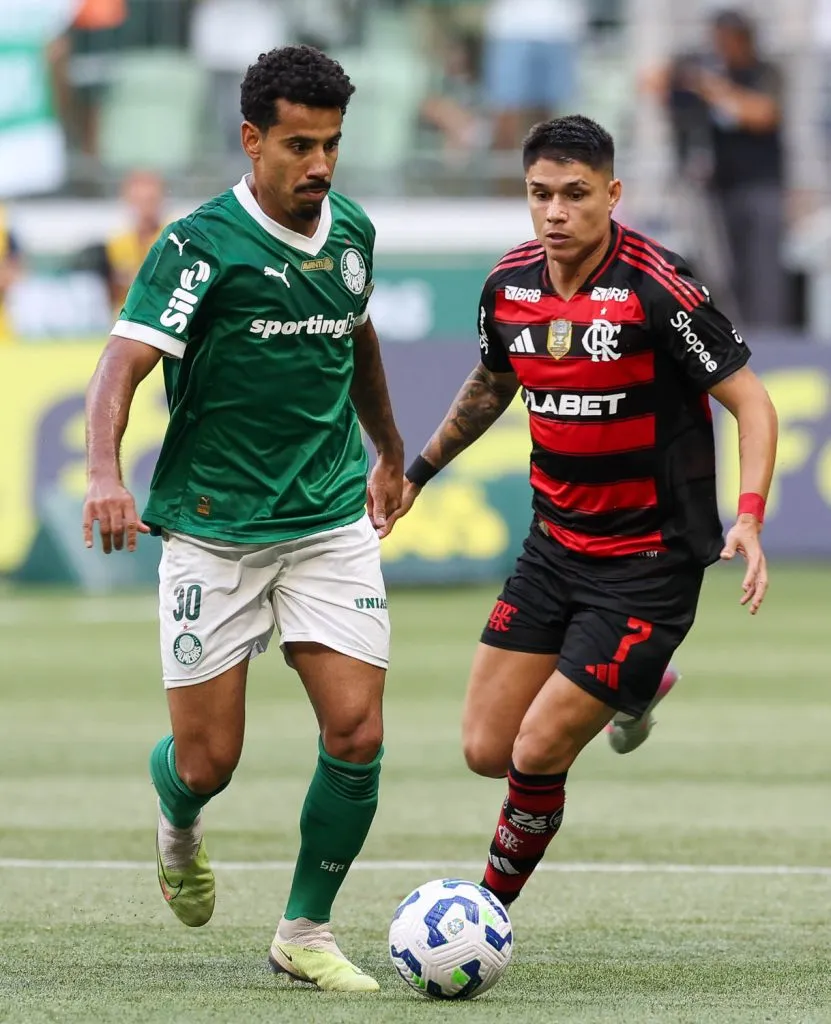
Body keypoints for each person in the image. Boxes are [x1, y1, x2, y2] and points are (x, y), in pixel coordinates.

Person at [388, 115, 777, 910]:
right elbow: (492, 384)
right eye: (540, 195)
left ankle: (486, 912)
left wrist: (748, 516)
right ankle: (639, 685)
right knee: (485, 749)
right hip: (552, 549)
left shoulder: (658, 288)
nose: (555, 212)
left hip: (648, 564)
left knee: (535, 751)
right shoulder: (509, 286)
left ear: (611, 193)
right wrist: (417, 471)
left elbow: (752, 401)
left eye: (574, 194)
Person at [83, 45, 403, 992]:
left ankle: (304, 930)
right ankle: (176, 817)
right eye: (300, 145)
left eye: (332, 145)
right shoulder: (199, 246)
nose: (319, 165)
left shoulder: (353, 233)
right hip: (215, 530)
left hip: (327, 519)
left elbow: (357, 337)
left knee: (357, 732)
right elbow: (120, 363)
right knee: (209, 761)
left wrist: (388, 451)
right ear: (251, 140)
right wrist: (104, 473)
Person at [658, 9, 786, 327]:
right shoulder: (711, 74)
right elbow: (656, 86)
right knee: (727, 272)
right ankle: (737, 334)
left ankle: (770, 337)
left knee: (764, 270)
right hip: (720, 187)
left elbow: (764, 114)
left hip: (761, 185)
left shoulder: (764, 72)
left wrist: (713, 88)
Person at [103, 170, 166, 313]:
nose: (145, 208)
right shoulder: (117, 242)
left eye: (150, 200)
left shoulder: (175, 238)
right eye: (139, 201)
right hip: (124, 318)